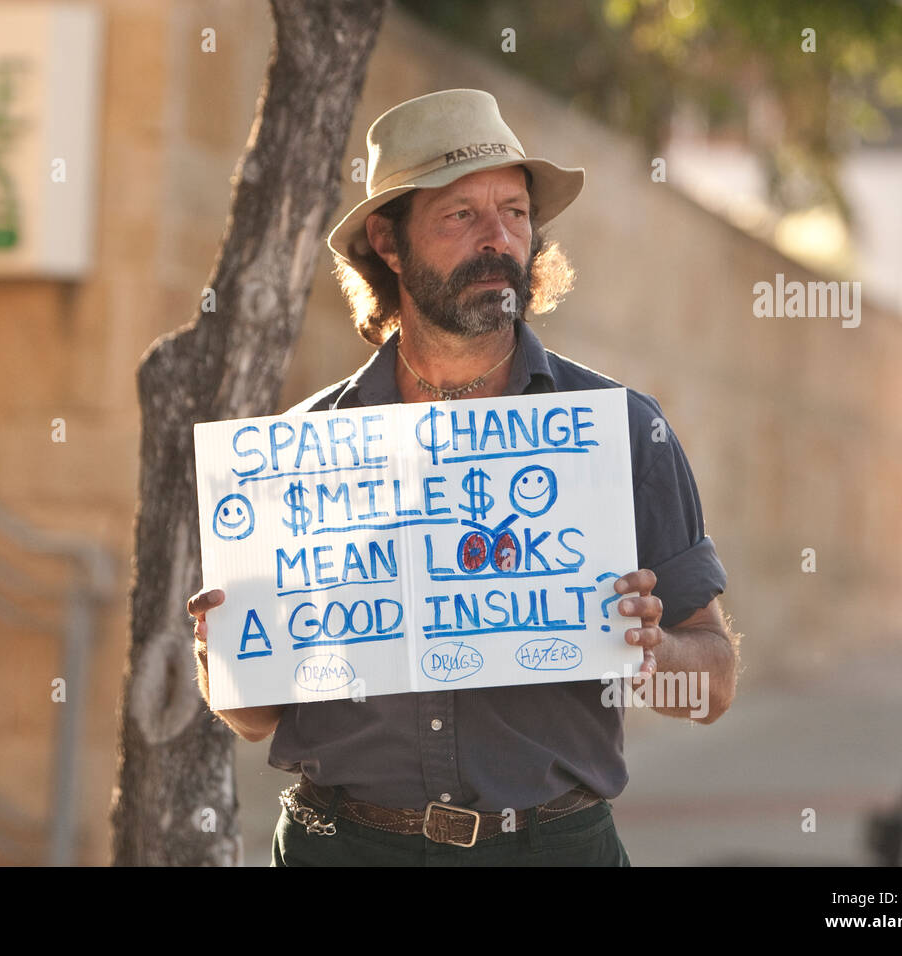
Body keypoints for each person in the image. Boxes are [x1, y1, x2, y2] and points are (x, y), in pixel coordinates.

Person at [188, 89, 738, 866]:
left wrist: (656, 650)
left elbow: (712, 689)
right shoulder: (304, 449)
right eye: (461, 216)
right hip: (341, 847)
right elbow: (254, 718)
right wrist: (227, 655)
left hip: (550, 849)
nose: (498, 240)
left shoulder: (620, 429)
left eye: (515, 212)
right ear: (387, 239)